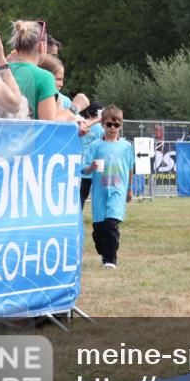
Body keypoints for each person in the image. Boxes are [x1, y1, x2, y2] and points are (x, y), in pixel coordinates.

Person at [82, 105, 134, 269]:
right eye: (109, 124)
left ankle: (110, 260)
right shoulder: (95, 146)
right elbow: (83, 168)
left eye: (116, 124)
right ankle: (103, 250)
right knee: (99, 229)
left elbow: (130, 168)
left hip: (118, 191)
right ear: (102, 124)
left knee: (111, 225)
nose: (113, 128)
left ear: (121, 125)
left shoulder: (126, 147)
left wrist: (129, 189)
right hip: (100, 192)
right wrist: (90, 168)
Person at [8, 20, 57, 120]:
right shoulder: (45, 78)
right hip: (29, 131)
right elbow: (48, 124)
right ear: (41, 46)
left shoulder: (0, 69)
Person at [79, 102, 105, 210]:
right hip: (98, 163)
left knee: (82, 193)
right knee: (98, 193)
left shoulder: (83, 125)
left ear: (88, 113)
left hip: (84, 161)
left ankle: (79, 212)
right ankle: (99, 212)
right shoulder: (101, 129)